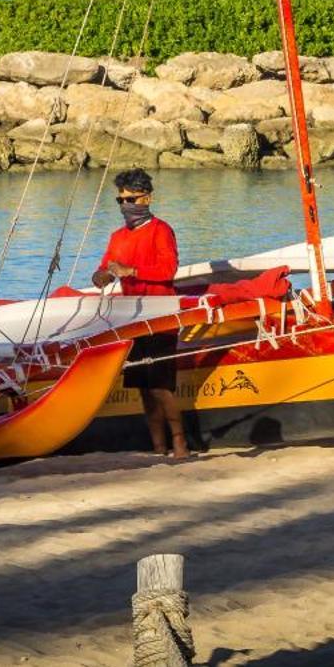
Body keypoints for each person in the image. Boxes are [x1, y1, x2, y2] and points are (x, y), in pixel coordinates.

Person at [92, 169, 188, 458]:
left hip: (160, 315)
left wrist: (131, 271)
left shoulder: (161, 230)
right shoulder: (117, 236)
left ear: (146, 198)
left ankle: (180, 443)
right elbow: (104, 269)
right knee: (143, 388)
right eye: (120, 200)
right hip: (131, 318)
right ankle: (158, 447)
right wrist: (103, 276)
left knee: (160, 387)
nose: (125, 206)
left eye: (130, 199)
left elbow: (168, 270)